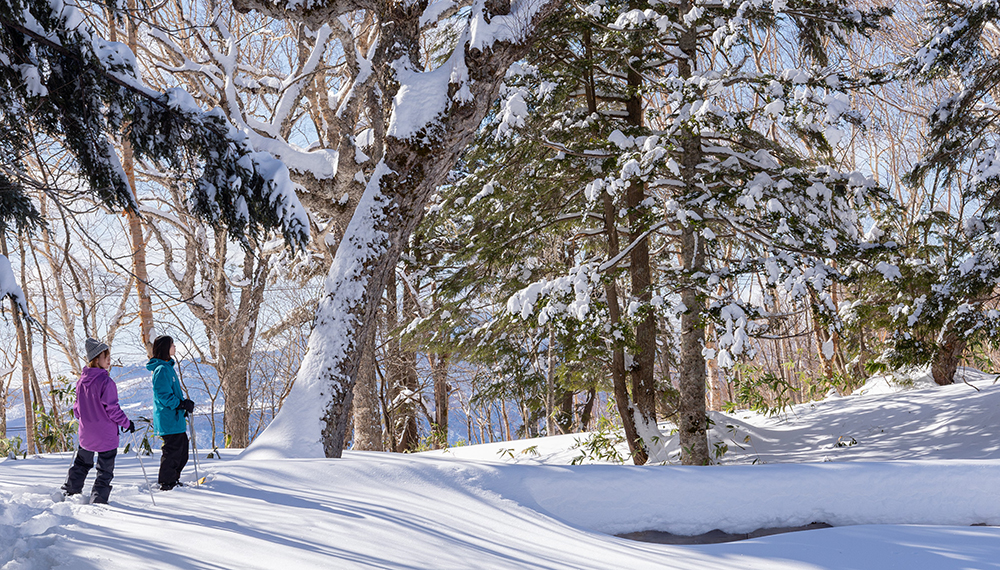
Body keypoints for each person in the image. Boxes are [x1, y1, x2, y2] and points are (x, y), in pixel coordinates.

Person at [62, 338, 135, 504]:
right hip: (106, 436)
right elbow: (112, 409)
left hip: (86, 434)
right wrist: (127, 423)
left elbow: (77, 410)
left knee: (81, 463)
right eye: (105, 356)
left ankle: (71, 491)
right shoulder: (106, 382)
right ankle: (98, 500)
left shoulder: (81, 382)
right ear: (96, 359)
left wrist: (88, 420)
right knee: (105, 470)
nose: (109, 360)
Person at [148, 335, 194, 491]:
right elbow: (163, 395)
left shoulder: (168, 368)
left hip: (175, 419)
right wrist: (180, 404)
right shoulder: (161, 370)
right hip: (168, 419)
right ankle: (167, 482)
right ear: (165, 348)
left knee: (182, 452)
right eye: (172, 344)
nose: (175, 347)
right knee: (173, 451)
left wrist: (183, 406)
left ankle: (173, 479)